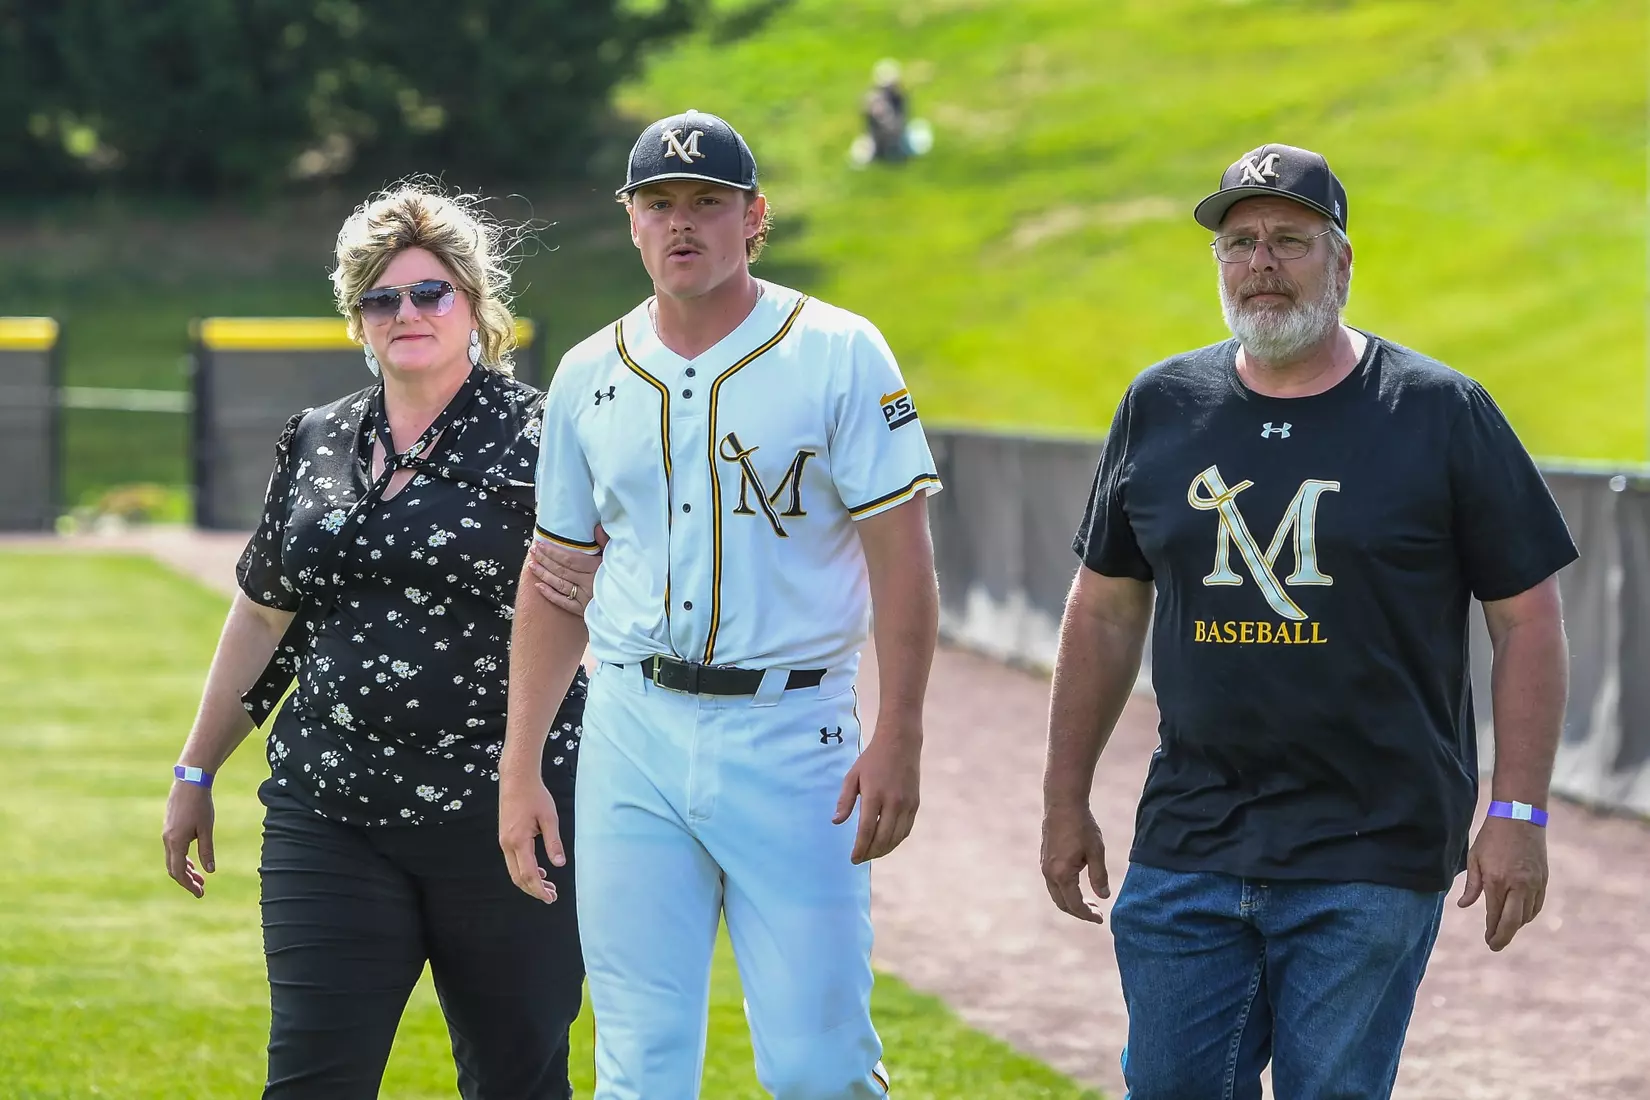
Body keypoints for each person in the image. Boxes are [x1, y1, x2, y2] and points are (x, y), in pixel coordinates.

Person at [1039, 143, 1577, 1099]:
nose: (1261, 263)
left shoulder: (1441, 412)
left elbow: (1527, 618)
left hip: (1373, 843)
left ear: (1342, 261)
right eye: (1239, 243)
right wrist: (1063, 798)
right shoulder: (1161, 406)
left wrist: (1519, 810)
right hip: (1191, 837)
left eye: (1290, 239)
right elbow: (1105, 613)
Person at [497, 109, 942, 1100]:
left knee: (819, 1064)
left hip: (793, 731)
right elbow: (556, 579)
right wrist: (520, 761)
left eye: (708, 202)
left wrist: (902, 730)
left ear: (756, 217)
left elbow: (904, 561)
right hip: (631, 727)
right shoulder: (584, 372)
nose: (683, 222)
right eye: (660, 203)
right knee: (639, 1065)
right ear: (632, 221)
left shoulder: (839, 349)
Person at [161, 182, 589, 1100]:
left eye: (430, 292)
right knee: (312, 1081)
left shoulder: (552, 439)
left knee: (518, 1081)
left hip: (508, 811)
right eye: (382, 297)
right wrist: (196, 771)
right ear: (356, 318)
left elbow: (615, 603)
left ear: (473, 304)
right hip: (332, 807)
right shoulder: (315, 439)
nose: (407, 313)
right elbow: (264, 610)